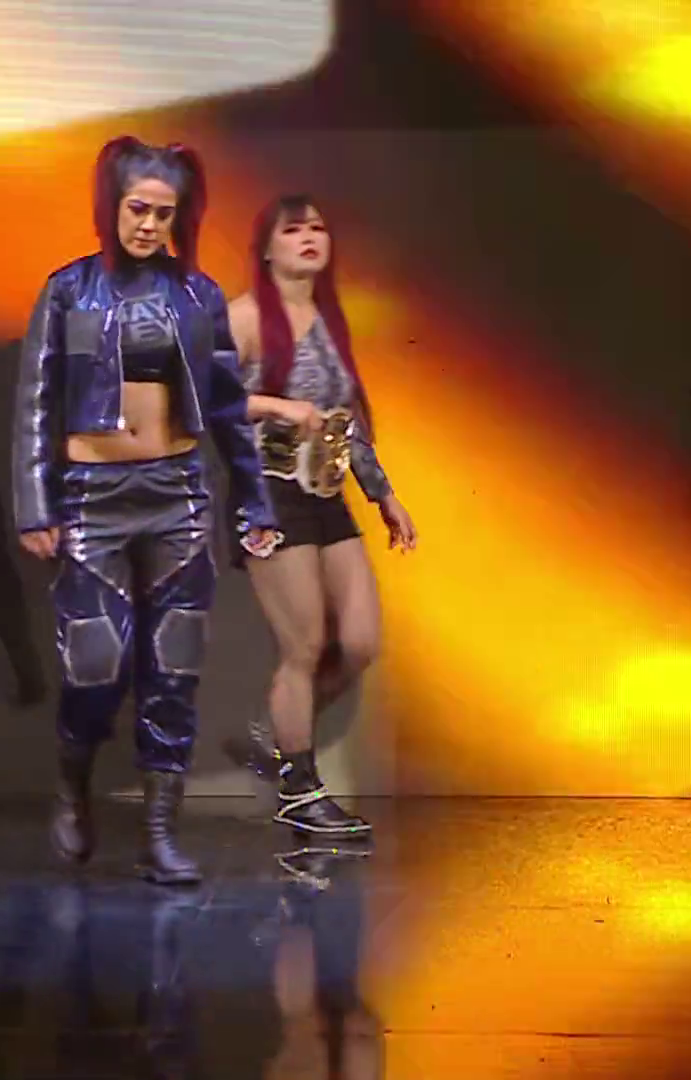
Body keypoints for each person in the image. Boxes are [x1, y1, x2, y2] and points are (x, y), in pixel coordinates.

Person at [13, 136, 281, 886]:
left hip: (177, 495)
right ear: (112, 206)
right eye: (138, 209)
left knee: (174, 668)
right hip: (92, 496)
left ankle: (160, 834)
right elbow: (35, 402)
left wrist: (254, 501)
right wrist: (35, 504)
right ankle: (74, 780)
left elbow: (226, 407)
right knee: (94, 666)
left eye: (164, 214)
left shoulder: (197, 296)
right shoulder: (69, 290)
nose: (149, 225)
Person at [227, 195, 417, 837]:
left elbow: (347, 420)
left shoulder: (329, 319)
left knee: (358, 641)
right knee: (304, 645)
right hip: (267, 495)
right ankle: (300, 790)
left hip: (324, 491)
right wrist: (278, 407)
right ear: (266, 247)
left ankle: (276, 736)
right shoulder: (245, 318)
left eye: (318, 228)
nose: (309, 237)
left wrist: (382, 494)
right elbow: (203, 403)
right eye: (293, 229)